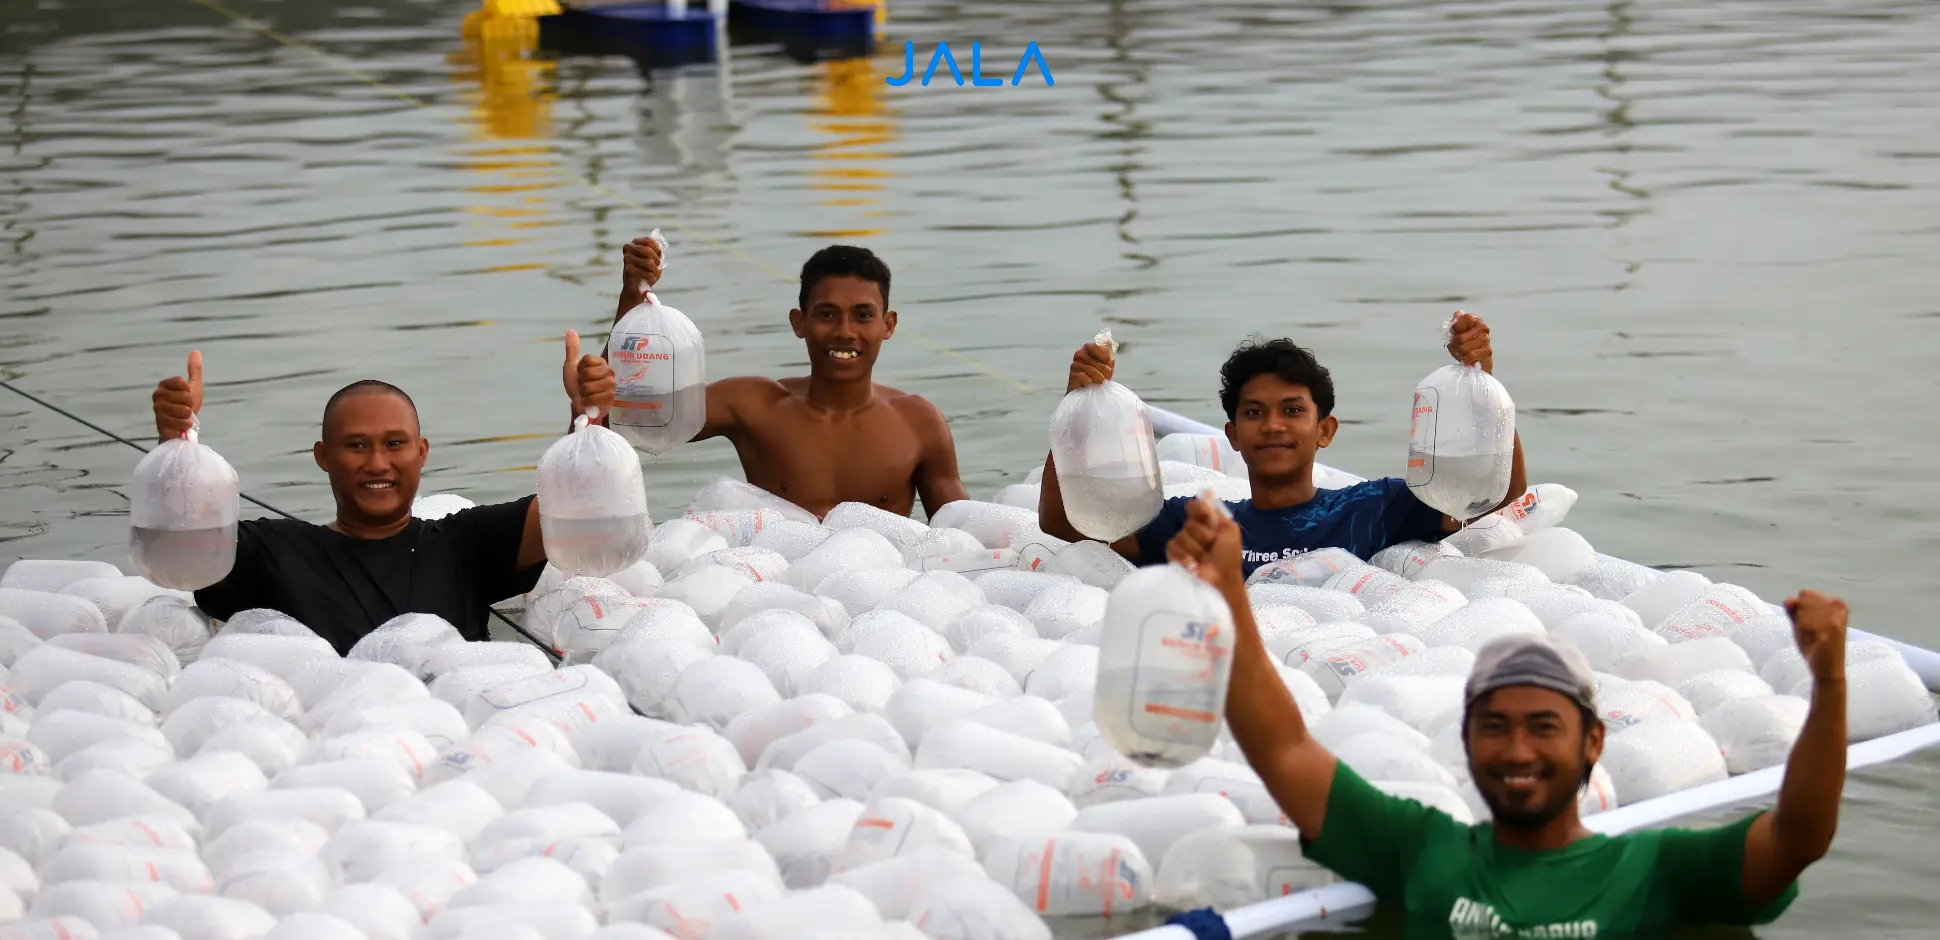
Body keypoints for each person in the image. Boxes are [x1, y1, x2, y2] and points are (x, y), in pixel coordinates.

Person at [1165, 494, 1848, 936]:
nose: (1518, 750)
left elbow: (1798, 838)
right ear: (1466, 741)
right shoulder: (1421, 849)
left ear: (1593, 742)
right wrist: (1228, 593)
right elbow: (1285, 749)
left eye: (1544, 728)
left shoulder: (1654, 869)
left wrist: (1829, 682)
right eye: (1495, 728)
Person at [149, 332, 617, 653]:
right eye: (356, 446)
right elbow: (184, 549)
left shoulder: (466, 545)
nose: (377, 463)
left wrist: (590, 418)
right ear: (323, 456)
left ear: (422, 452)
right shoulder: (272, 554)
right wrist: (176, 446)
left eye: (395, 444)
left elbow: (579, 505)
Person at [1038, 312, 1527, 577]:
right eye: (1254, 413)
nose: (1273, 425)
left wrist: (1480, 385)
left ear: (1325, 431)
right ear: (1232, 435)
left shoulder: (1376, 508)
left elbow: (1493, 496)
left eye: (1292, 411)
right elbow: (1066, 523)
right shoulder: (1196, 524)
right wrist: (1078, 409)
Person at [612, 236, 967, 520]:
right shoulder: (754, 406)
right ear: (800, 322)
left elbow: (964, 533)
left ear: (887, 325)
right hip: (776, 583)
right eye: (827, 315)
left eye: (862, 316)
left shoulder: (918, 422)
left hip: (883, 584)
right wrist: (632, 294)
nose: (845, 332)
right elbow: (623, 418)